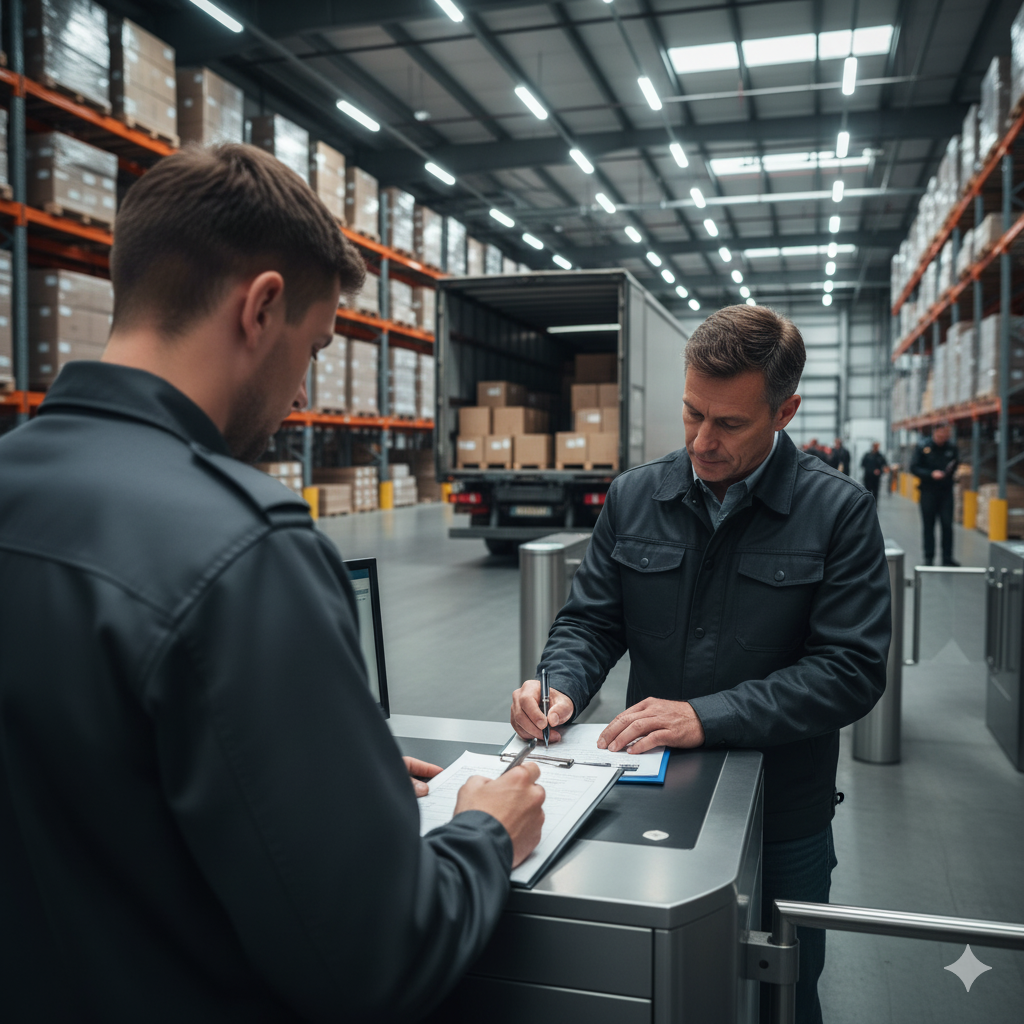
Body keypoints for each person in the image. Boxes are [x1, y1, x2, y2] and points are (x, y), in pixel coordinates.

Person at [0, 144, 546, 1023]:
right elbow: (377, 957)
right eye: (316, 346)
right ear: (261, 308)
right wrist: (487, 832)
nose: (301, 391)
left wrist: (335, 775)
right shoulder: (243, 547)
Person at [509, 305, 891, 1024]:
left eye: (730, 425)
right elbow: (591, 621)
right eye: (691, 414)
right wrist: (557, 684)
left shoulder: (838, 513)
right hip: (649, 797)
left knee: (782, 995)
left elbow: (849, 670)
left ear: (786, 411)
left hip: (784, 817)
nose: (702, 442)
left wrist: (703, 717)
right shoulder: (635, 496)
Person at [910, 423, 959, 566]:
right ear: (935, 433)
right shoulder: (923, 447)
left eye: (946, 435)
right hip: (928, 492)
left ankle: (947, 558)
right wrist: (931, 474)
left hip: (945, 493)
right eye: (940, 435)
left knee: (947, 524)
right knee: (928, 525)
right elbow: (914, 467)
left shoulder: (951, 448)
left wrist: (948, 474)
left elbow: (955, 464)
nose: (943, 437)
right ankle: (929, 557)